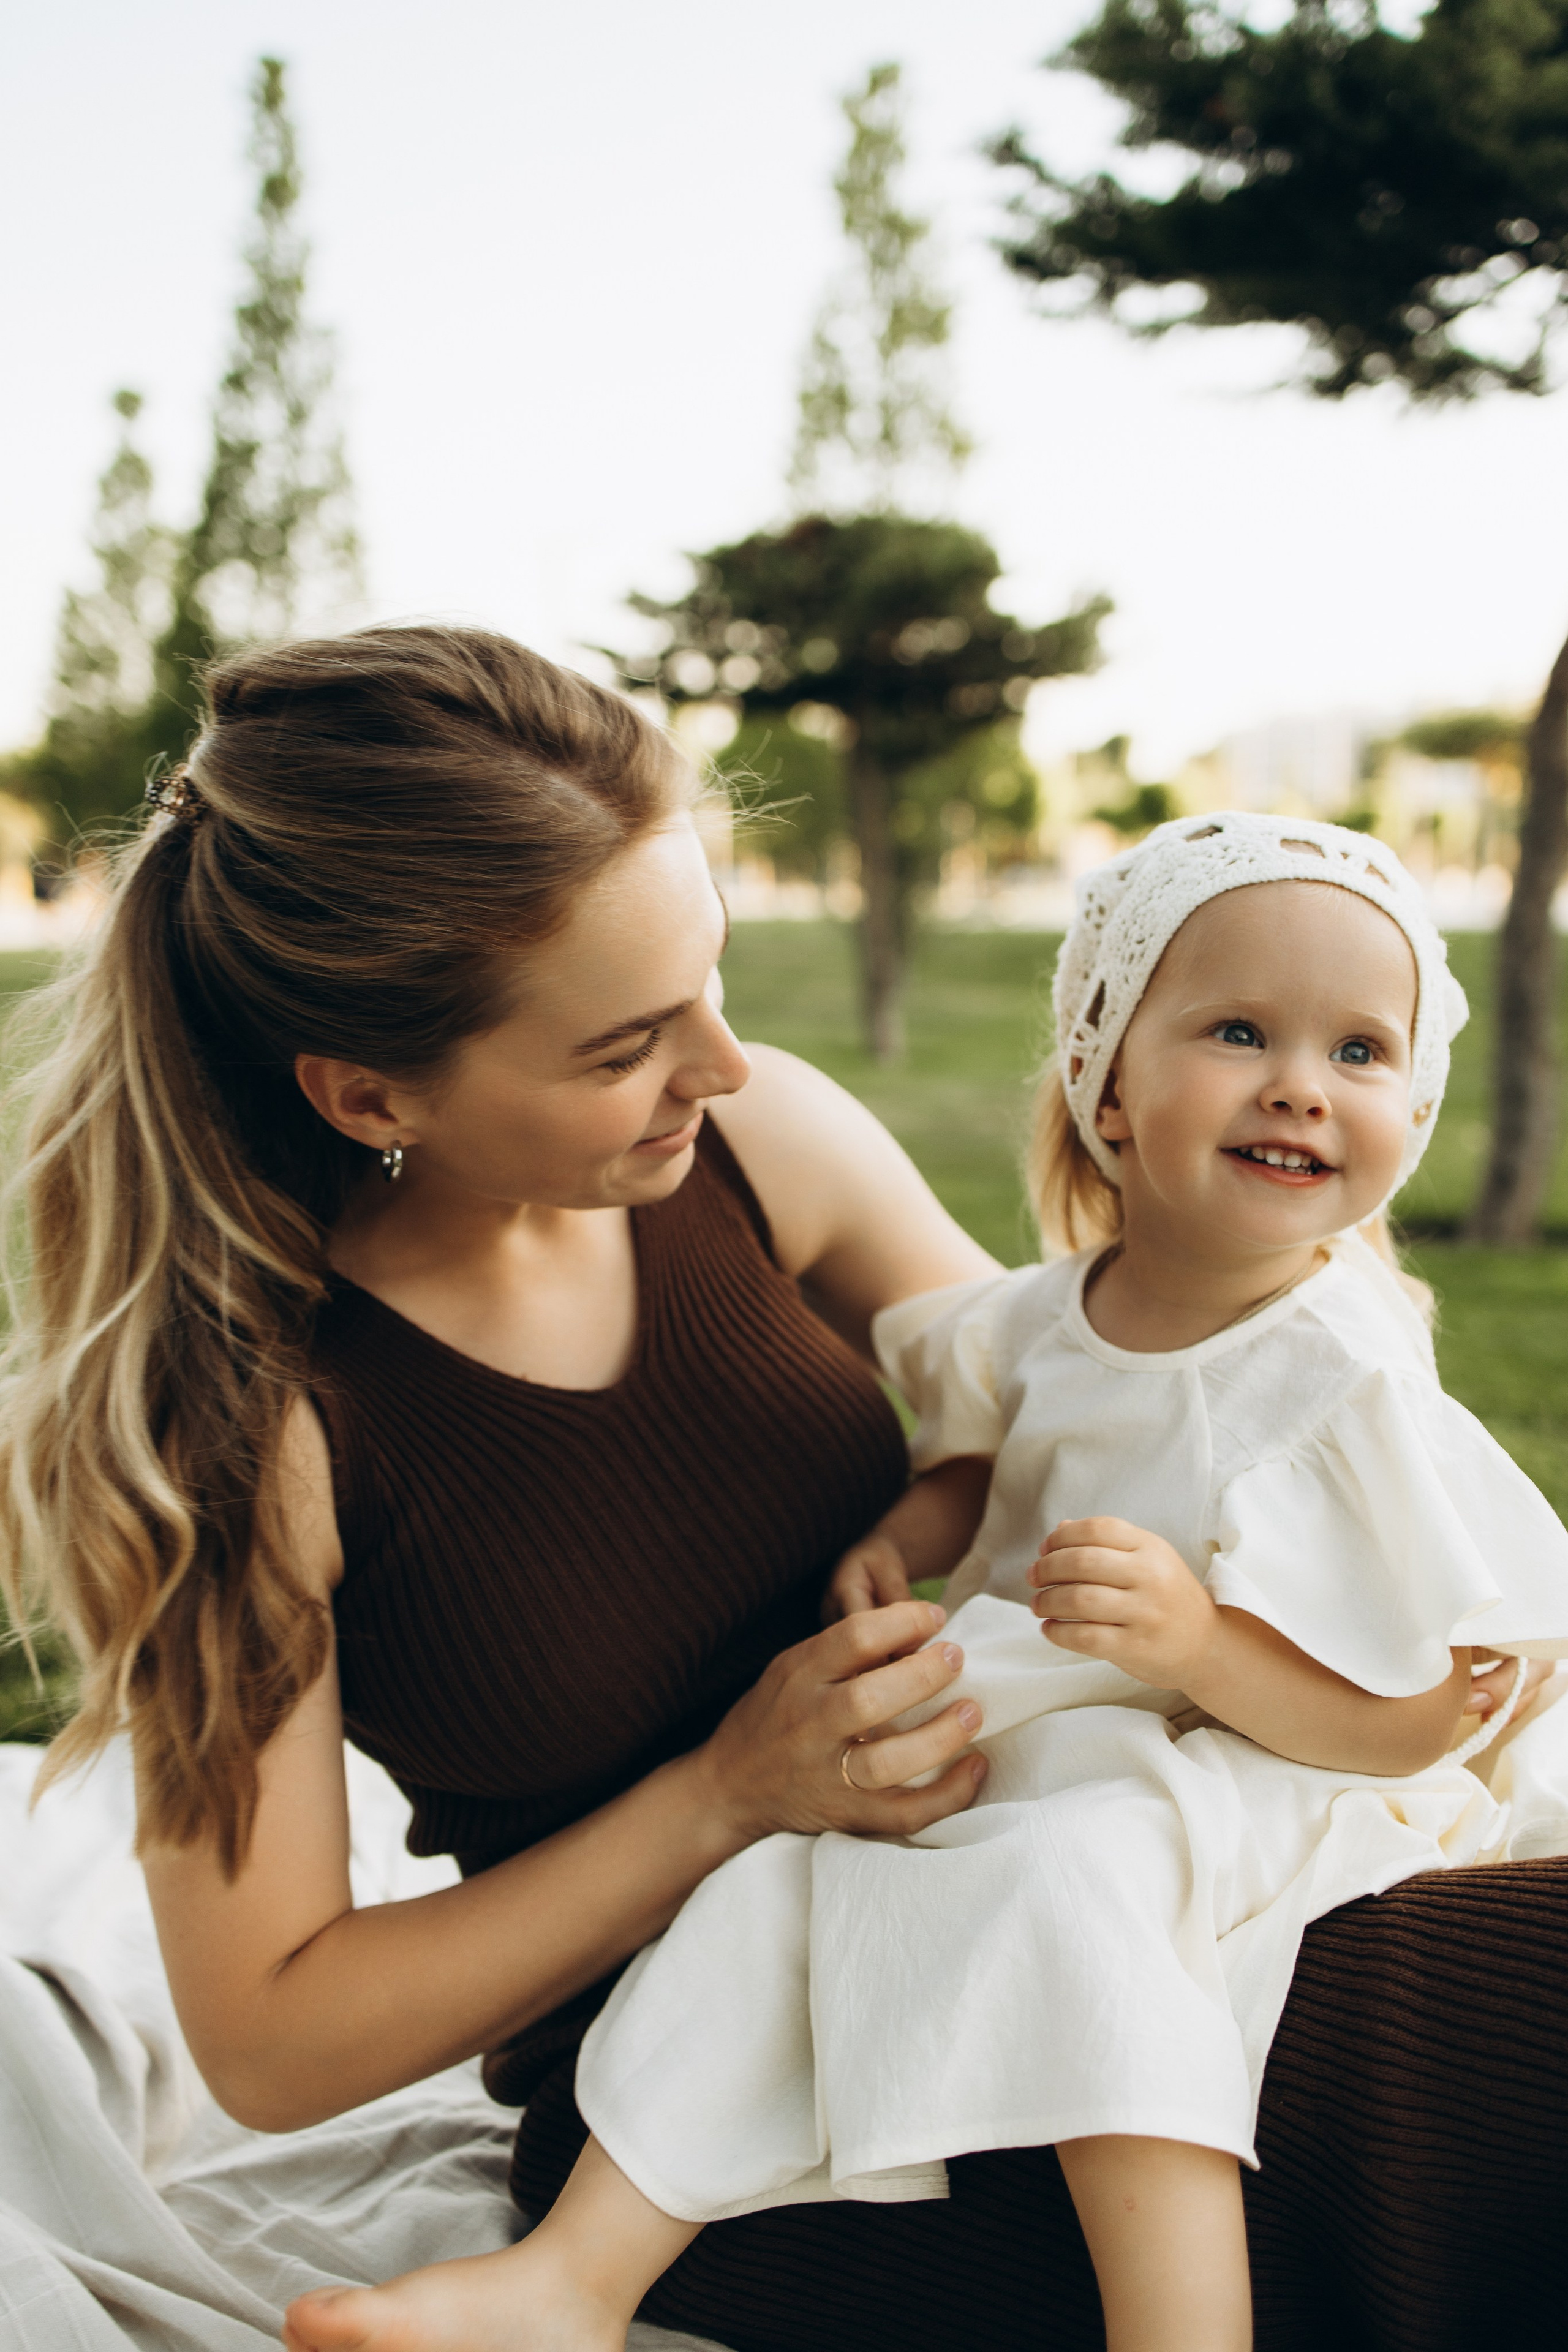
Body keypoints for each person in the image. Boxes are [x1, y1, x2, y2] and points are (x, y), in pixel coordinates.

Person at [0, 637, 1553, 2352]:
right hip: (754, 2099)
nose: (726, 1064)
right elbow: (272, 2046)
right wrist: (728, 1794)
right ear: (373, 1094)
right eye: (625, 1045)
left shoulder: (751, 1149)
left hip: (1084, 1873)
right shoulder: (257, 1429)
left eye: (713, 982)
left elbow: (1074, 1412)